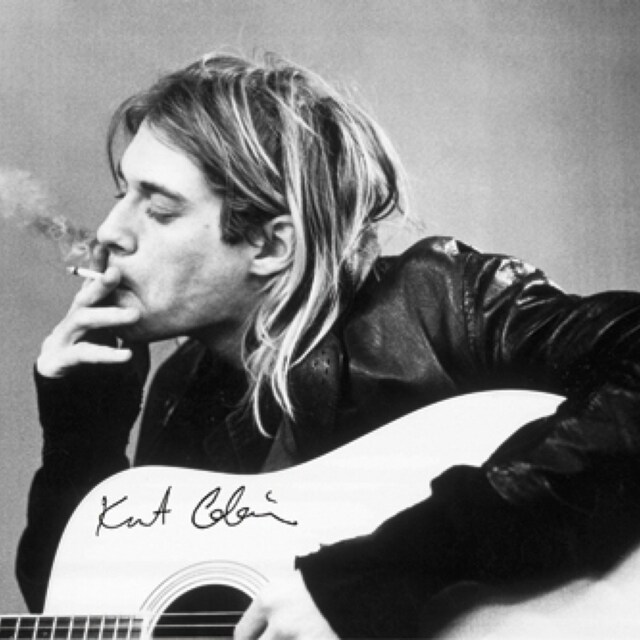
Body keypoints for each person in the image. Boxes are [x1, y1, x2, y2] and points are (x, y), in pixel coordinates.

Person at [16, 51, 640, 638]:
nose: (109, 232)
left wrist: (388, 573)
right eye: (121, 194)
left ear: (271, 245)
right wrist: (82, 430)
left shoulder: (440, 304)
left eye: (158, 209)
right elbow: (89, 616)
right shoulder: (185, 391)